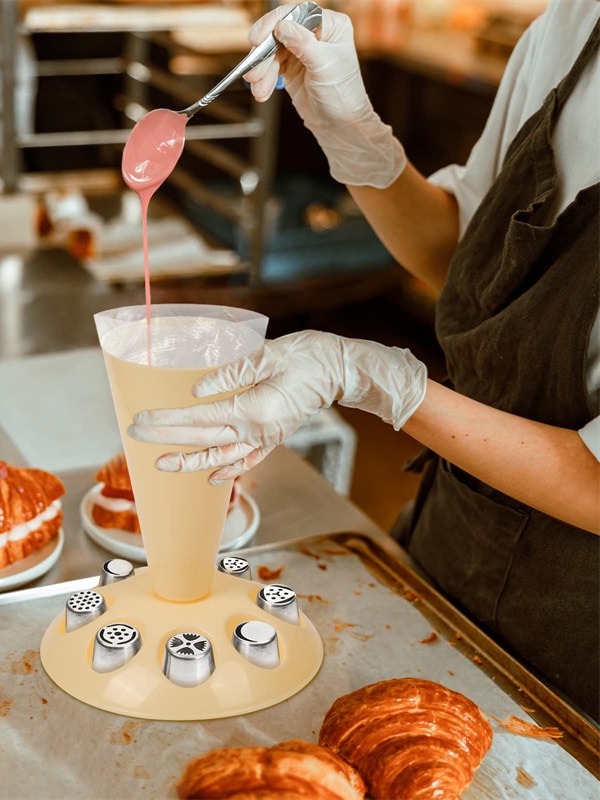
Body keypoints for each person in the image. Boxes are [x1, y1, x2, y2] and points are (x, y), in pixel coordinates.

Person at [129, 1, 600, 721]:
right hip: (449, 547)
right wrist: (349, 131)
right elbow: (464, 259)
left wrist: (373, 379)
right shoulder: (568, 30)